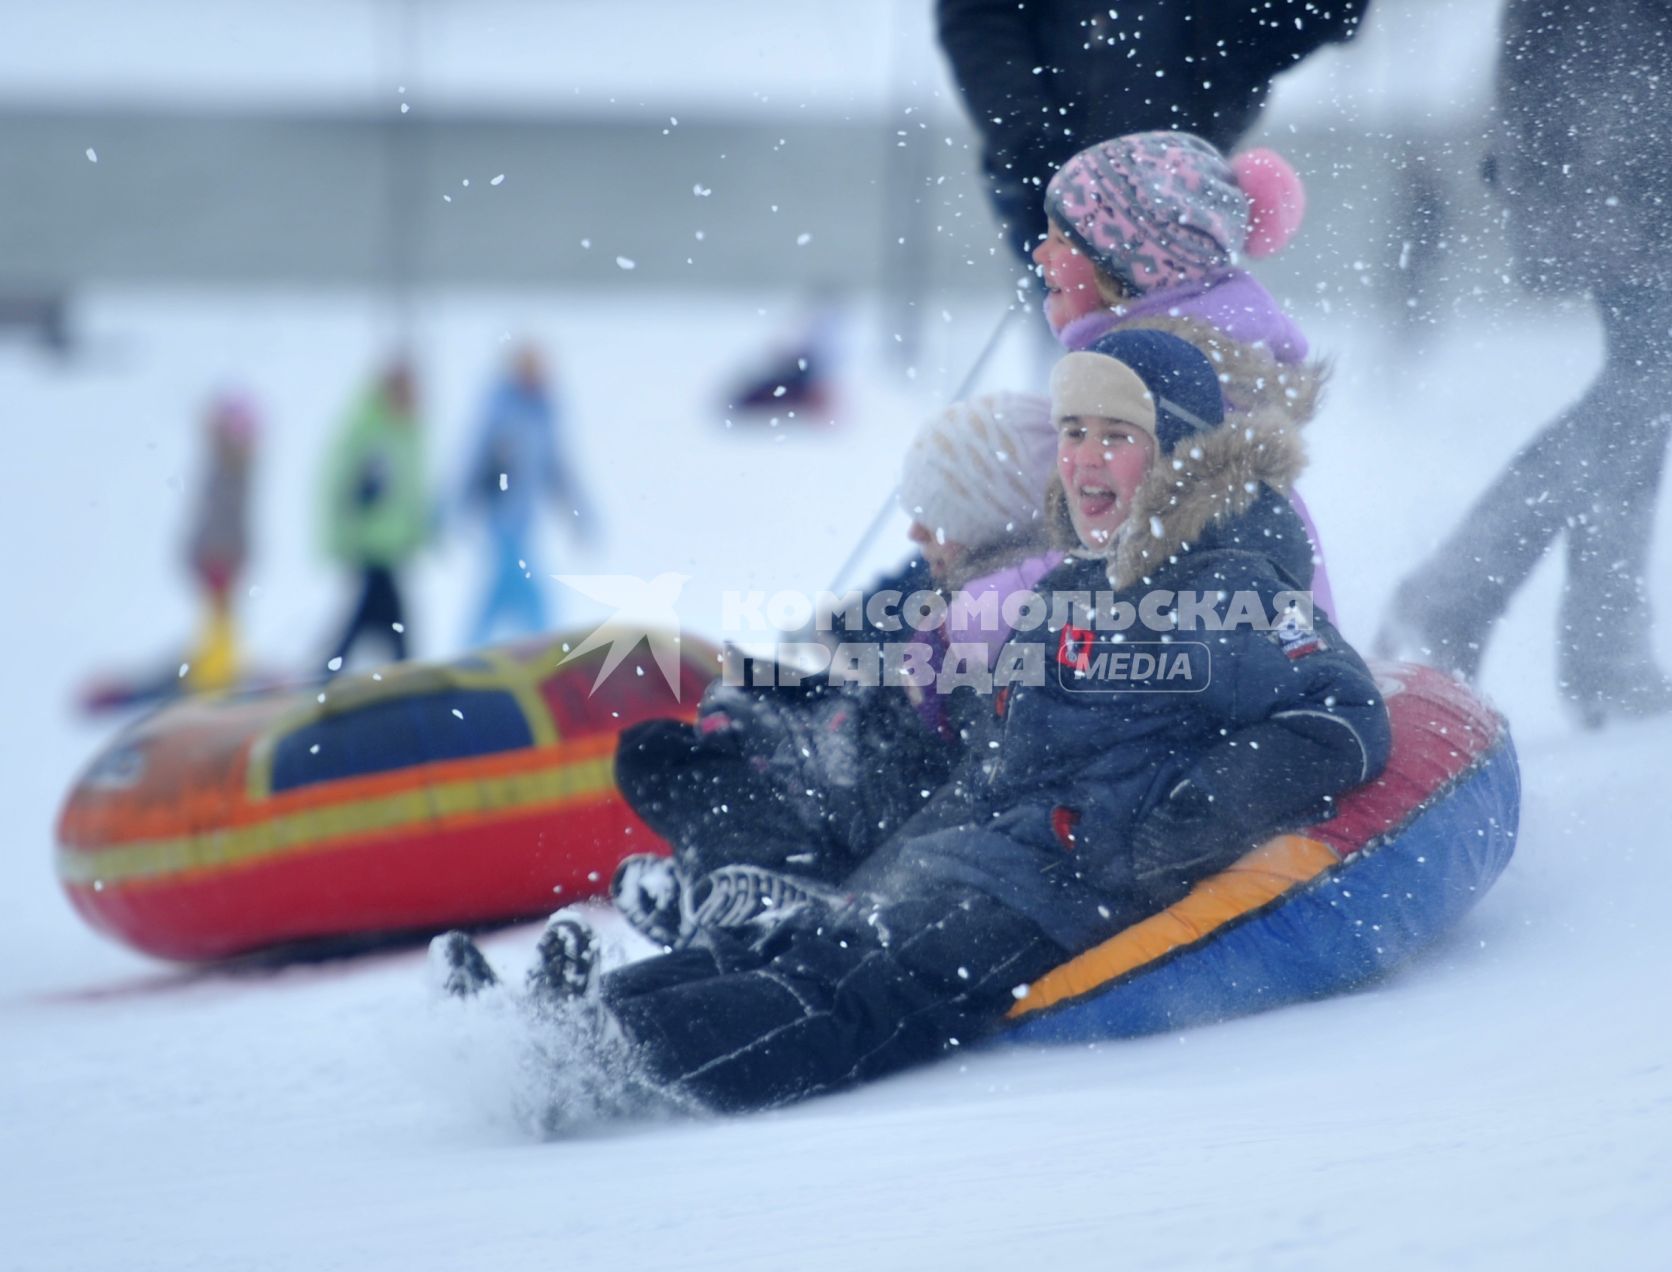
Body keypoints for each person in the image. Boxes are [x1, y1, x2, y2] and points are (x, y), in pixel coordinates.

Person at [435, 329, 1388, 1126]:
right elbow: (999, 764)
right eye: (1072, 434)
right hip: (993, 852)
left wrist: (1172, 827)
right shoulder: (1069, 591)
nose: (1085, 459)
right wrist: (899, 858)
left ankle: (598, 1063)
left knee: (856, 995)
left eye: (1115, 436)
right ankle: (561, 1021)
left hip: (1068, 884)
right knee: (812, 937)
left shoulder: (1230, 590)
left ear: (1178, 453)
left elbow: (1339, 718)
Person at [1377, 0, 1672, 727]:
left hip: (1583, 140)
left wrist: (1523, 135)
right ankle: (1456, 596)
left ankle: (1601, 653)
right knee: (1648, 384)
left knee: (1644, 390)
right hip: (1644, 147)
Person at [609, 391, 1062, 946]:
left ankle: (752, 894)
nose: (915, 534)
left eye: (937, 516)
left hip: (867, 806)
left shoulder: (1002, 621)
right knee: (666, 744)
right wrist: (797, 687)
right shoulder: (964, 587)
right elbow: (886, 667)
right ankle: (718, 888)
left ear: (991, 514)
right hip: (850, 758)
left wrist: (873, 888)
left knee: (672, 759)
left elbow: (966, 788)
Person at [1030, 130, 1337, 623]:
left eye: (1063, 241)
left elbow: (1091, 575)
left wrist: (966, 613)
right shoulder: (1169, 379)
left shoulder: (1170, 399)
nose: (1041, 254)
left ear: (1128, 269)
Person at [937, 0, 1371, 263]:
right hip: (1052, 181)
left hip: (1185, 195)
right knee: (1088, 365)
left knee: (1168, 367)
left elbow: (1302, 19)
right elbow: (979, 18)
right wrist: (1032, 142)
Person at [458, 344, 585, 645]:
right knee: (527, 592)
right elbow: (474, 463)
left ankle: (474, 649)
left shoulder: (543, 413)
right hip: (501, 519)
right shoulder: (500, 412)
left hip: (526, 520)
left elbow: (557, 470)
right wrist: (456, 508)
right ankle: (545, 649)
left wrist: (579, 513)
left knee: (501, 595)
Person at [322, 360, 428, 671]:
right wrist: (346, 529)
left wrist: (416, 530)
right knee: (387, 618)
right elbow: (343, 484)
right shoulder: (371, 431)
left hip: (391, 545)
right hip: (370, 543)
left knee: (368, 618)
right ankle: (404, 672)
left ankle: (330, 671)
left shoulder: (407, 431)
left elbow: (411, 490)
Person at [183, 394, 257, 692]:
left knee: (222, 618)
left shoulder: (235, 470)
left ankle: (218, 671)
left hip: (223, 553)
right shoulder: (227, 470)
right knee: (220, 618)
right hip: (217, 554)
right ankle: (213, 677)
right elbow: (219, 519)